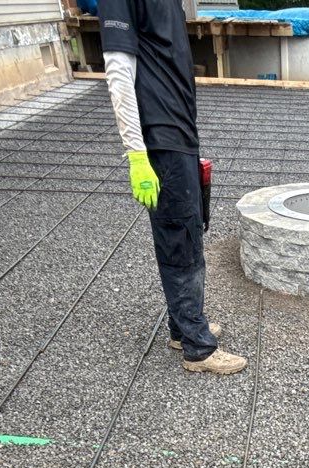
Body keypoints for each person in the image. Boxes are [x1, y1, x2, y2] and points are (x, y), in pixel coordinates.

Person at [99, 0, 246, 375]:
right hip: (161, 140)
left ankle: (183, 326)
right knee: (179, 241)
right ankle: (197, 348)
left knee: (188, 234)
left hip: (180, 138)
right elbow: (117, 71)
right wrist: (136, 153)